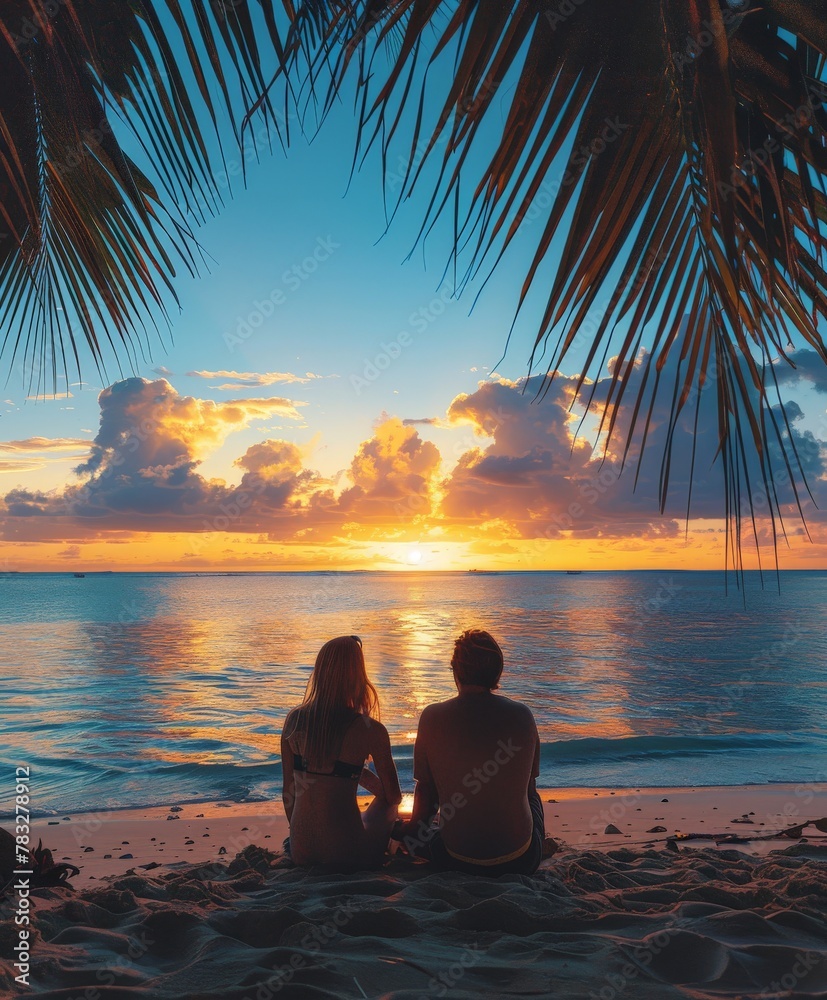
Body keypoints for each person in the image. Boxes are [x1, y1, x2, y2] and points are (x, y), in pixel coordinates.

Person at [395, 628, 546, 875]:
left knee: (421, 833)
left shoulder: (433, 717)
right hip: (521, 860)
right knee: (532, 798)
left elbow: (427, 797)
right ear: (498, 671)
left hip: (457, 858)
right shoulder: (522, 715)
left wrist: (405, 832)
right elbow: (529, 787)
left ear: (455, 671)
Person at [280, 635, 401, 869]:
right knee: (389, 806)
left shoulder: (293, 720)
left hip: (301, 853)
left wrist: (353, 771)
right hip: (348, 855)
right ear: (358, 676)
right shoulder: (370, 729)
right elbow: (393, 795)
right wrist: (357, 772)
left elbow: (288, 793)